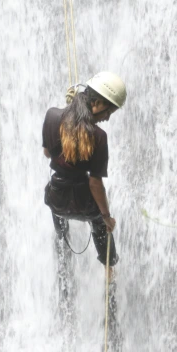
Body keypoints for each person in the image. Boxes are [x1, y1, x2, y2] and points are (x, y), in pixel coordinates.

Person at [42, 71, 126, 273]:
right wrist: (107, 217)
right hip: (84, 204)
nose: (107, 118)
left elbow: (47, 153)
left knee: (55, 203)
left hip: (57, 199)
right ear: (96, 103)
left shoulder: (52, 116)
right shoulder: (98, 136)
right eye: (108, 112)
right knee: (100, 224)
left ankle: (61, 236)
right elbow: (95, 184)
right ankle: (109, 267)